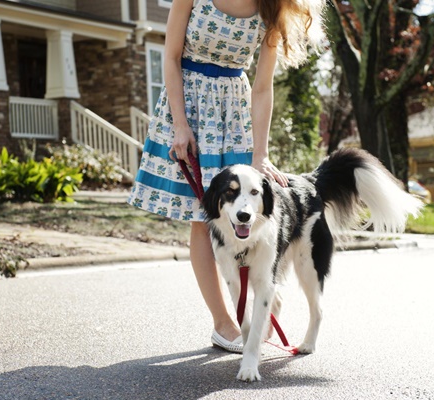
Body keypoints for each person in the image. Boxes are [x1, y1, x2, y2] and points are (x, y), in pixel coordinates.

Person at [127, 0, 325, 352]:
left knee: (248, 216)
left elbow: (263, 88)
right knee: (203, 220)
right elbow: (170, 58)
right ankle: (224, 323)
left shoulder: (272, 8)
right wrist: (180, 124)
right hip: (187, 107)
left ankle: (263, 303)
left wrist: (260, 155)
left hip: (234, 114)